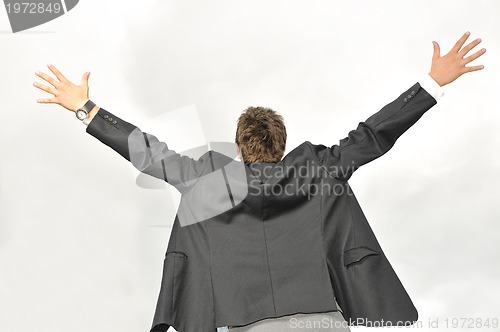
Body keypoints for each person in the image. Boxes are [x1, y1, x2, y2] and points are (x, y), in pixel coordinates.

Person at [34, 32, 485, 332]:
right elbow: (371, 136)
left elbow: (151, 154)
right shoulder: (316, 168)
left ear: (239, 146)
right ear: (282, 144)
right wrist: (431, 84)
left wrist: (86, 109)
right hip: (322, 322)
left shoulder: (208, 178)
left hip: (246, 323)